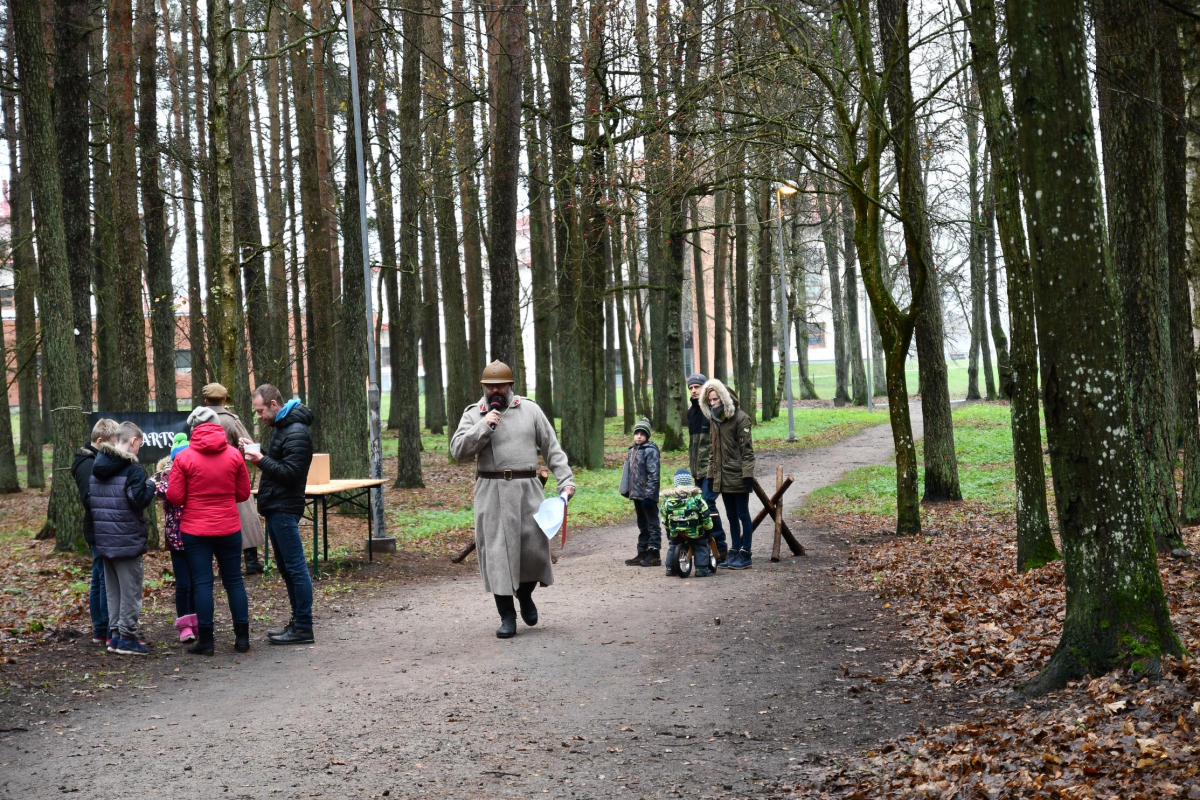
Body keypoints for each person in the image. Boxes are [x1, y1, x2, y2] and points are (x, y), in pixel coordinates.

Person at [450, 361, 575, 639]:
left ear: (510, 386)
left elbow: (551, 447)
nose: (495, 390)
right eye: (490, 386)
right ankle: (507, 617)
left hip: (527, 489)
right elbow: (458, 451)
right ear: (483, 387)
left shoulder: (529, 409)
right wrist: (484, 426)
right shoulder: (474, 414)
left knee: (532, 549)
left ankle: (525, 594)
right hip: (491, 490)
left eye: (500, 385)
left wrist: (566, 480)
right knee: (496, 555)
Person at [167, 407, 253, 655]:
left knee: (202, 583)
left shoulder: (183, 458)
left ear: (193, 428)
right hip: (228, 527)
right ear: (217, 425)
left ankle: (206, 641)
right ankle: (242, 639)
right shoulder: (234, 456)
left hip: (195, 530)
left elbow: (175, 496)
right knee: (234, 581)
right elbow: (243, 494)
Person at [241, 384, 315, 645]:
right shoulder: (284, 428)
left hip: (285, 507)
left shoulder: (295, 430)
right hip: (276, 506)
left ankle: (304, 626)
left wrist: (260, 459)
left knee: (295, 568)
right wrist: (257, 450)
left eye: (260, 411)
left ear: (274, 405)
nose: (258, 416)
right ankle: (299, 623)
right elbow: (281, 462)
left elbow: (291, 473)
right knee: (286, 567)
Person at [91, 422, 156, 655]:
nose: (139, 450)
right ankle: (127, 637)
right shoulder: (133, 470)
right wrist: (151, 485)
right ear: (133, 441)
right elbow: (138, 499)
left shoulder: (97, 465)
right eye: (140, 445)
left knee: (113, 591)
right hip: (127, 540)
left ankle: (115, 636)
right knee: (130, 591)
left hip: (105, 540)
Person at [200, 383, 267, 575]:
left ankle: (225, 564)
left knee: (215, 519)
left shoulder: (198, 420)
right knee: (245, 513)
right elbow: (250, 446)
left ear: (205, 401)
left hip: (204, 479)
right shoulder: (231, 421)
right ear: (224, 399)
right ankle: (251, 560)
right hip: (230, 474)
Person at [699, 378, 757, 569]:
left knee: (743, 515)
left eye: (715, 399)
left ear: (723, 398)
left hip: (738, 476)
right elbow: (712, 452)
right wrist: (710, 475)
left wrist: (747, 475)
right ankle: (734, 550)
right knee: (731, 515)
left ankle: (746, 553)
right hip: (722, 477)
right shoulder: (715, 421)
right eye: (710, 401)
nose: (713, 403)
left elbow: (747, 451)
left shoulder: (741, 419)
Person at [71, 418, 119, 646]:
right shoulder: (87, 464)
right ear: (100, 441)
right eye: (111, 443)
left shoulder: (93, 460)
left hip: (101, 526)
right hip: (97, 527)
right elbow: (89, 499)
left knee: (100, 577)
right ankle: (105, 627)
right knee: (102, 579)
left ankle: (102, 628)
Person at [151, 445, 196, 644]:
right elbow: (161, 490)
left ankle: (197, 621)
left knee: (197, 583)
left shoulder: (196, 474)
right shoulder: (166, 477)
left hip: (197, 535)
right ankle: (184, 625)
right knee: (183, 583)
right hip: (176, 538)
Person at [685, 373, 728, 564]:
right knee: (698, 507)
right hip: (697, 471)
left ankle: (720, 547)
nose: (694, 391)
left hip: (711, 470)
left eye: (697, 387)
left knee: (707, 505)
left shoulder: (711, 412)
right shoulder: (691, 413)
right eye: (691, 388)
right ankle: (705, 549)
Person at [619, 417, 662, 567]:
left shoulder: (650, 450)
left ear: (647, 436)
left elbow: (653, 474)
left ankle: (654, 553)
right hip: (636, 494)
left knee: (652, 524)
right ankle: (642, 551)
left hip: (647, 496)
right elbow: (630, 473)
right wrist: (627, 490)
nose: (639, 436)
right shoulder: (632, 450)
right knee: (642, 524)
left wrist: (650, 495)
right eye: (637, 433)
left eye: (642, 434)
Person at [661, 469, 714, 577]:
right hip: (694, 530)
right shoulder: (696, 497)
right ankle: (701, 569)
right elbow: (705, 513)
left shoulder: (668, 499)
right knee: (700, 545)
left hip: (676, 529)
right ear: (689, 482)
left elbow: (664, 515)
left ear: (676, 482)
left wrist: (668, 529)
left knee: (673, 545)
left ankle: (670, 568)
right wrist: (708, 528)